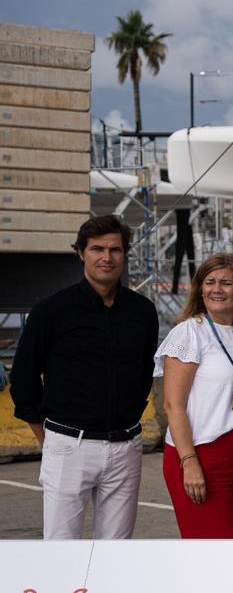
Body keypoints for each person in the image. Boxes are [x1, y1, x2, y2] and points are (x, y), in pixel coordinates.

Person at [10, 215, 158, 539]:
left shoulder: (143, 312)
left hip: (125, 447)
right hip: (67, 444)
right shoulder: (51, 311)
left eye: (115, 249)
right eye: (97, 249)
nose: (107, 257)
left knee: (114, 554)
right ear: (80, 253)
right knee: (62, 550)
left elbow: (144, 373)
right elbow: (23, 380)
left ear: (124, 254)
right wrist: (48, 440)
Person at [155, 253, 233, 538]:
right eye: (210, 282)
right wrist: (189, 461)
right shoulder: (189, 333)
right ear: (200, 288)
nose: (216, 289)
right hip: (203, 455)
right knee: (215, 552)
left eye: (226, 282)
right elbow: (173, 405)